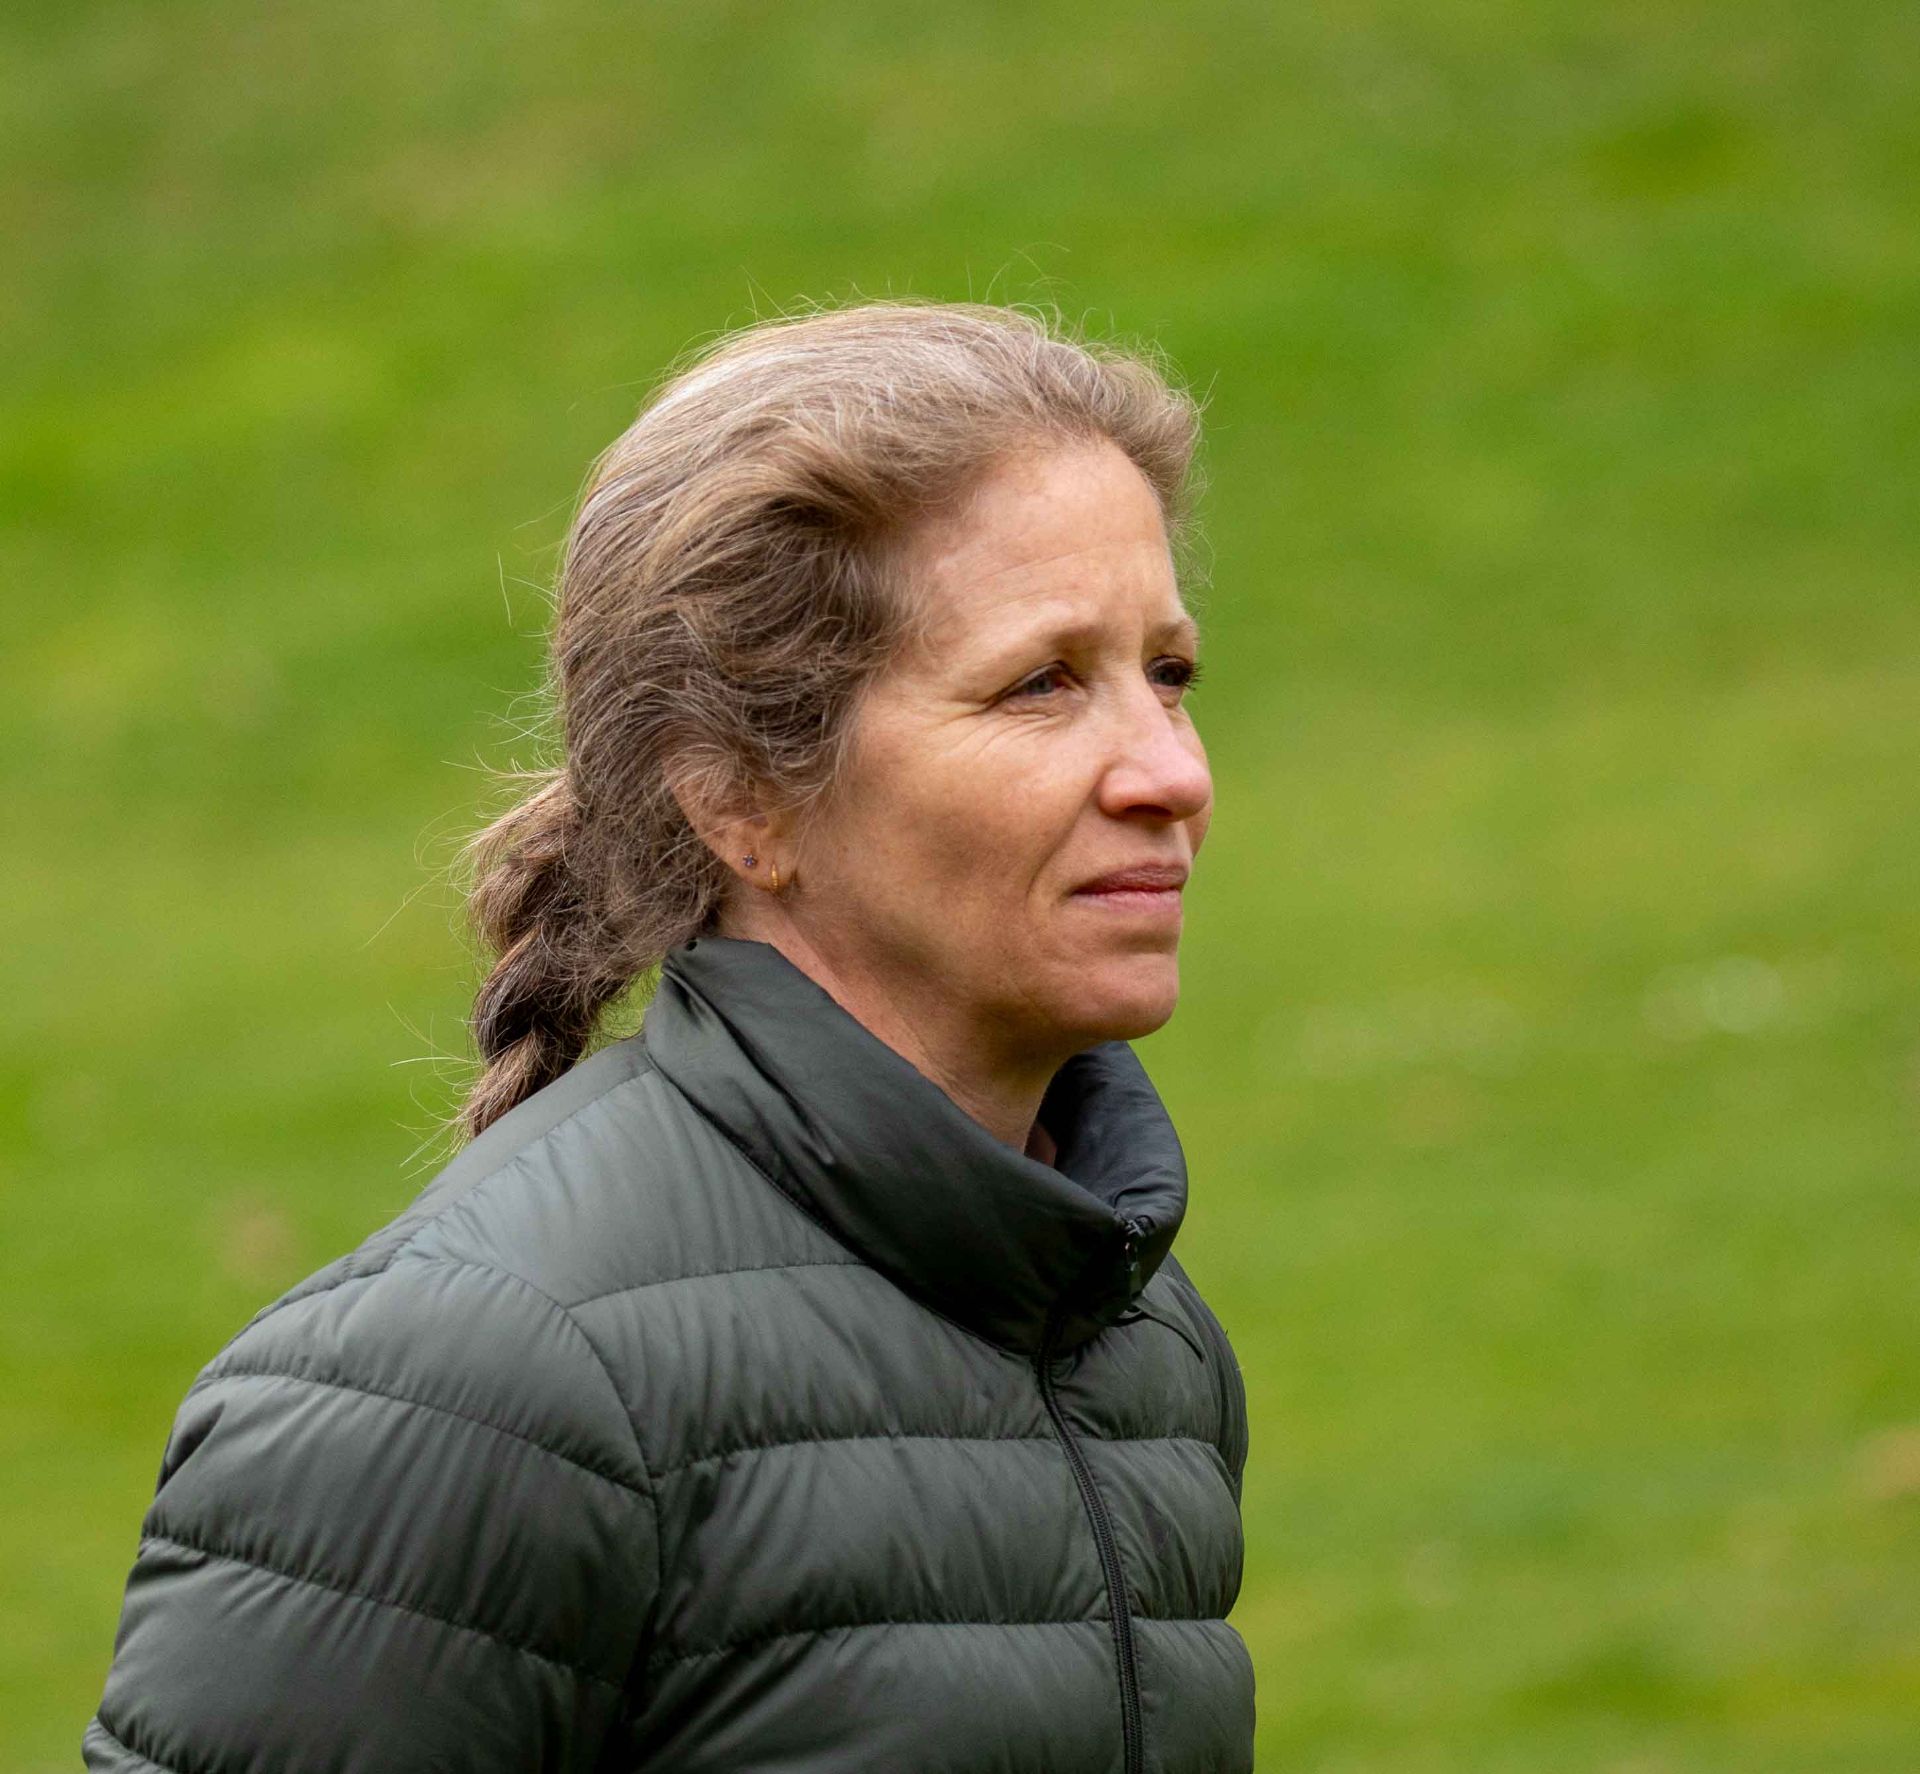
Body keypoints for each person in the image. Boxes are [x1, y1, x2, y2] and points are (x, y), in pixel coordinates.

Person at [84, 299, 1255, 1772]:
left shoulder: (1140, 1337)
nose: (1169, 772)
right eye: (1042, 684)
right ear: (739, 798)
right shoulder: (477, 1380)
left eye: (1168, 673)